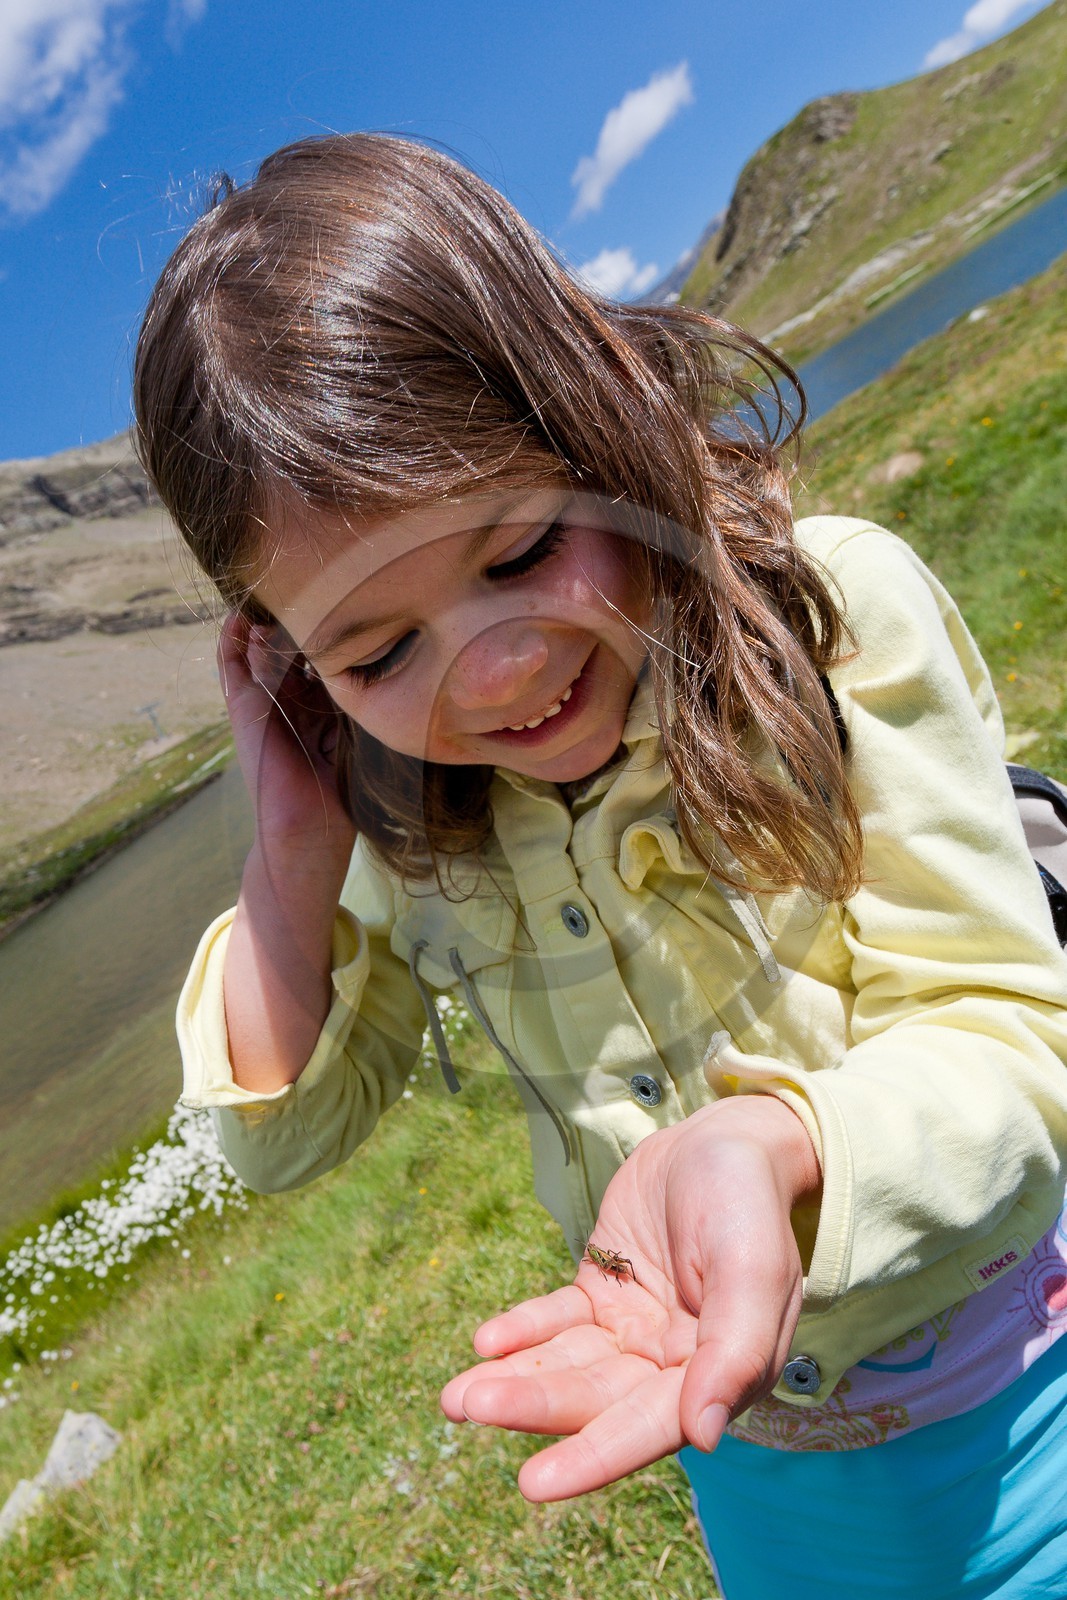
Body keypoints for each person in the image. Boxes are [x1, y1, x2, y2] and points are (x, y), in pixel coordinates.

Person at [134, 132, 1067, 1597]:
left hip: (1028, 1396)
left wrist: (773, 1145)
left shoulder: (825, 622)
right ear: (291, 664)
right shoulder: (407, 822)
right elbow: (277, 1141)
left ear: (597, 410)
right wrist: (294, 854)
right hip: (750, 1466)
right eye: (376, 653)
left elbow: (1012, 1038)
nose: (497, 671)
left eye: (518, 553)